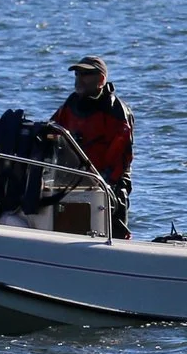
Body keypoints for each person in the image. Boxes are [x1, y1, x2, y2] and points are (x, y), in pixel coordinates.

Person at [51, 55, 134, 237]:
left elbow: (120, 157)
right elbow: (52, 131)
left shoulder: (116, 111)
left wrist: (101, 182)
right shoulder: (71, 104)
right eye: (77, 74)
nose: (79, 79)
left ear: (101, 79)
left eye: (85, 75)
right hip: (73, 182)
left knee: (115, 233)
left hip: (109, 186)